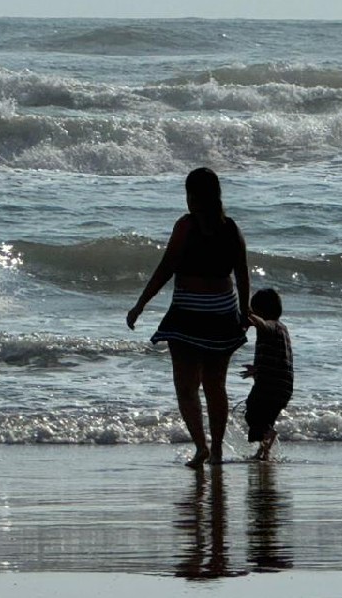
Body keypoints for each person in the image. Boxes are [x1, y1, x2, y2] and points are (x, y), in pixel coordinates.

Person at [127, 167, 250, 468]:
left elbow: (166, 267)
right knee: (214, 385)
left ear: (193, 197)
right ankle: (217, 449)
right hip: (222, 314)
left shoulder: (186, 226)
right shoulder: (231, 228)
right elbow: (242, 273)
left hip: (188, 315)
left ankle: (201, 447)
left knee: (186, 387)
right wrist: (244, 311)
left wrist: (141, 304)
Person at [240, 288, 292, 461]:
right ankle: (264, 452)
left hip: (269, 386)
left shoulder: (270, 326)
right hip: (283, 387)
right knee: (265, 419)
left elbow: (263, 325)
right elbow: (279, 357)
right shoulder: (282, 329)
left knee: (252, 412)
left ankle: (267, 436)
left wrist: (250, 315)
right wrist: (257, 369)